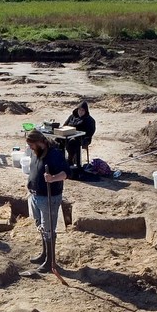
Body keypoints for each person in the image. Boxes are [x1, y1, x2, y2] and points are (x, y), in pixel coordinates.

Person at [25, 130, 69, 273]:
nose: (30, 148)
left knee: (49, 229)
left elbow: (66, 173)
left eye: (32, 145)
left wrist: (52, 178)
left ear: (40, 142)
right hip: (35, 195)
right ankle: (44, 254)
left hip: (49, 197)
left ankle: (50, 261)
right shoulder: (36, 152)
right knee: (42, 227)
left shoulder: (55, 154)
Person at [62, 100, 97, 171]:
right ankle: (61, 160)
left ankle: (71, 160)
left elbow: (90, 132)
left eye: (82, 110)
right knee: (58, 140)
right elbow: (65, 125)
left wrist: (81, 134)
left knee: (73, 142)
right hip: (68, 135)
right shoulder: (72, 117)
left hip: (83, 139)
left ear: (85, 111)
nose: (80, 112)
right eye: (79, 110)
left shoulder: (89, 120)